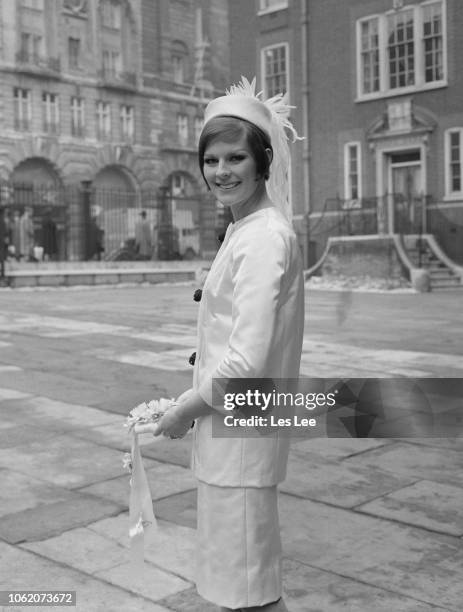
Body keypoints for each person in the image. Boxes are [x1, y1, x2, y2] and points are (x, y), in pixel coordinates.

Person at [136, 77, 304, 612]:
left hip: (243, 433)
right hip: (234, 433)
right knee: (240, 582)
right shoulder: (247, 229)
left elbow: (246, 358)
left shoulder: (262, 238)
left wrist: (185, 408)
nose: (222, 171)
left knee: (248, 590)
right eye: (211, 160)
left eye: (236, 158)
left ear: (263, 161)